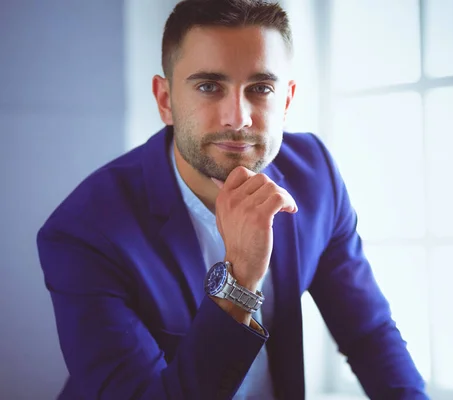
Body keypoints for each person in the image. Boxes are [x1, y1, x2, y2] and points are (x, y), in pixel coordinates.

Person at [36, 0, 428, 398]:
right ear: (165, 100)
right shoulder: (85, 232)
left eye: (260, 89)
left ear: (287, 101)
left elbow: (369, 335)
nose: (237, 118)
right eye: (209, 86)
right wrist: (239, 278)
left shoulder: (315, 175)